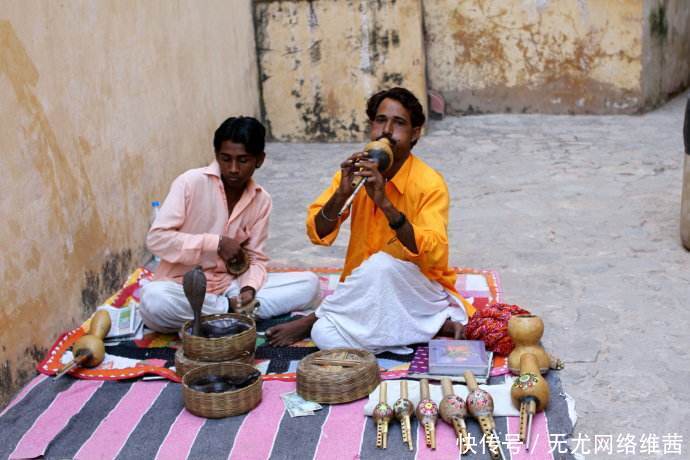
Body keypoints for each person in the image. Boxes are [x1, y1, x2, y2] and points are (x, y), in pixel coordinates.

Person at [266, 87, 475, 353]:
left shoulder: (430, 184)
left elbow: (433, 254)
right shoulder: (358, 171)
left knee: (381, 266)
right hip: (364, 291)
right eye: (380, 120)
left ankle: (315, 317)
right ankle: (428, 327)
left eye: (399, 123)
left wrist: (385, 204)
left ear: (415, 133)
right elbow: (317, 232)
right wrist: (341, 195)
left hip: (418, 291)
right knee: (324, 336)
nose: (387, 130)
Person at [139, 116, 320, 333]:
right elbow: (157, 240)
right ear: (216, 155)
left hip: (229, 287)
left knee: (309, 285)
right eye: (226, 159)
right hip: (182, 287)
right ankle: (230, 313)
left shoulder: (262, 200)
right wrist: (216, 243)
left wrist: (248, 289)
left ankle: (225, 315)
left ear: (259, 160)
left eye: (243, 160)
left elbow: (255, 257)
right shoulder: (189, 183)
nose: (233, 168)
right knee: (154, 300)